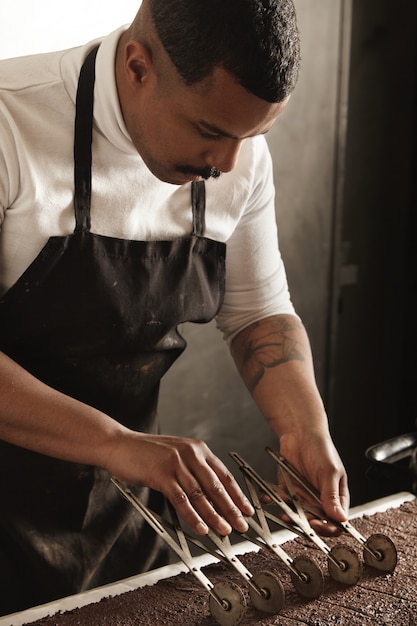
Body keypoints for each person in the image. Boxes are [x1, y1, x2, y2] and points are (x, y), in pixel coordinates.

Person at [0, 0, 349, 616]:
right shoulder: (9, 122)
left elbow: (257, 311)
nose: (229, 165)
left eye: (253, 137)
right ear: (138, 66)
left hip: (131, 516)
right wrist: (115, 442)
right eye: (211, 131)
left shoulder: (235, 153)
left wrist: (304, 427)